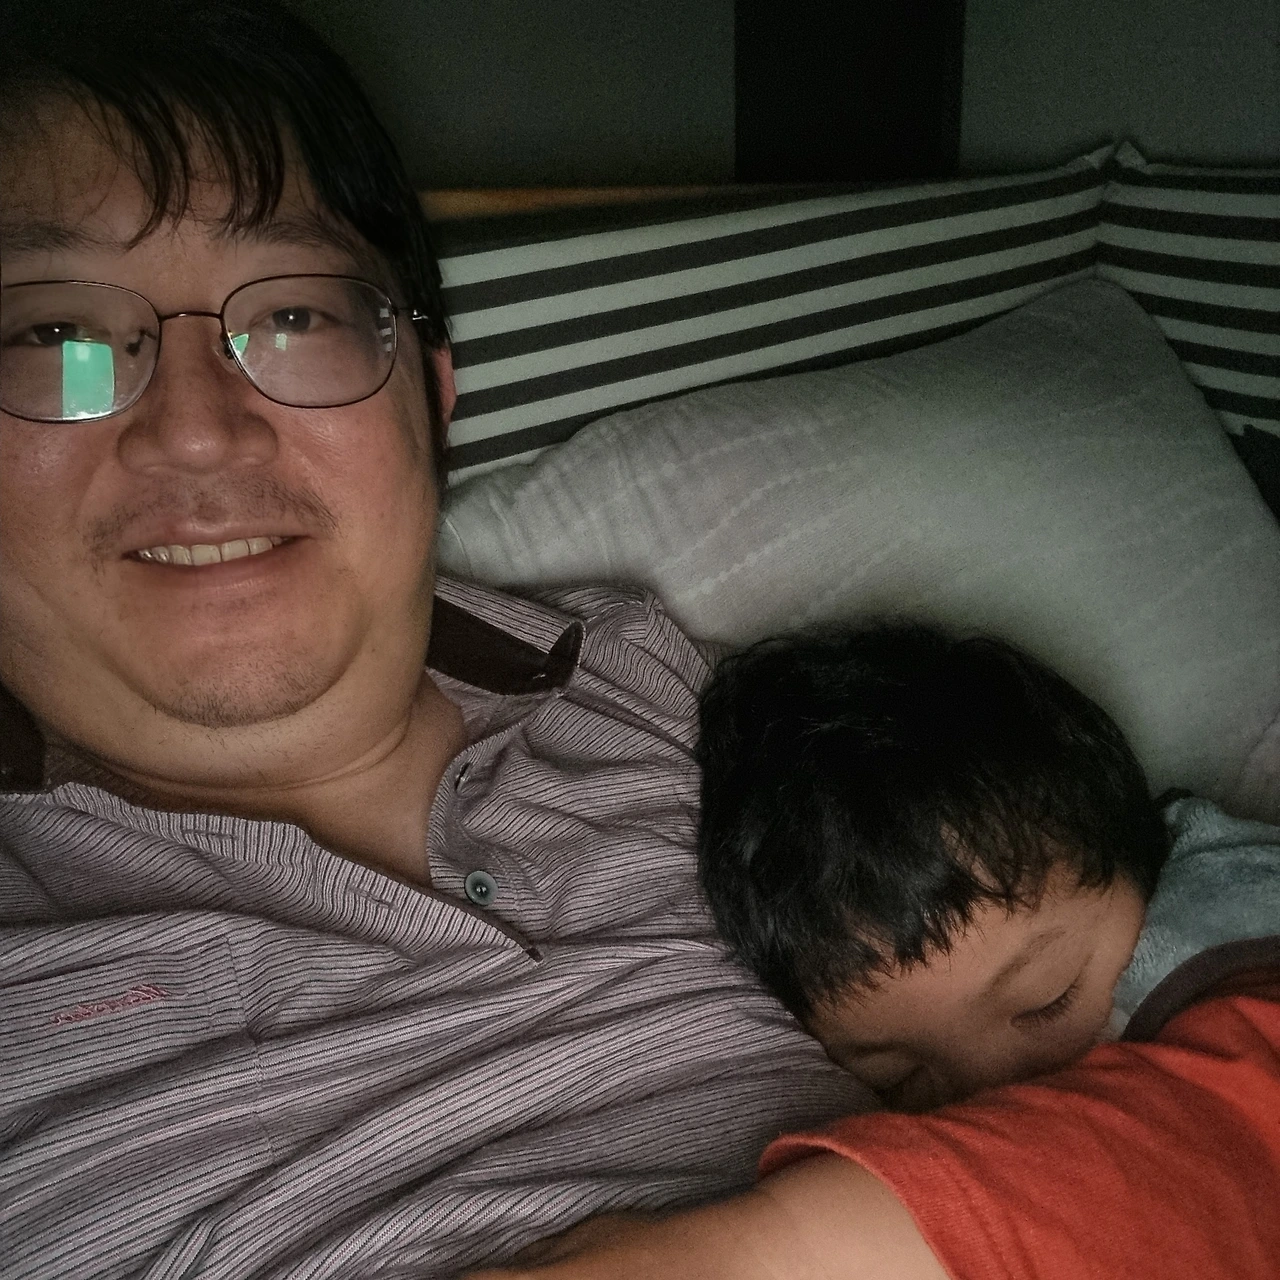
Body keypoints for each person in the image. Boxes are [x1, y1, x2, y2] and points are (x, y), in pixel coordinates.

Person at [1, 4, 1277, 1280]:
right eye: (56, 338)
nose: (198, 428)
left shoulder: (661, 686)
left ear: (430, 397)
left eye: (292, 317)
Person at [695, 623, 1280, 1107]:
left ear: (1148, 856)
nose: (1000, 1097)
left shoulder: (1231, 924)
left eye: (1050, 997)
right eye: (900, 1079)